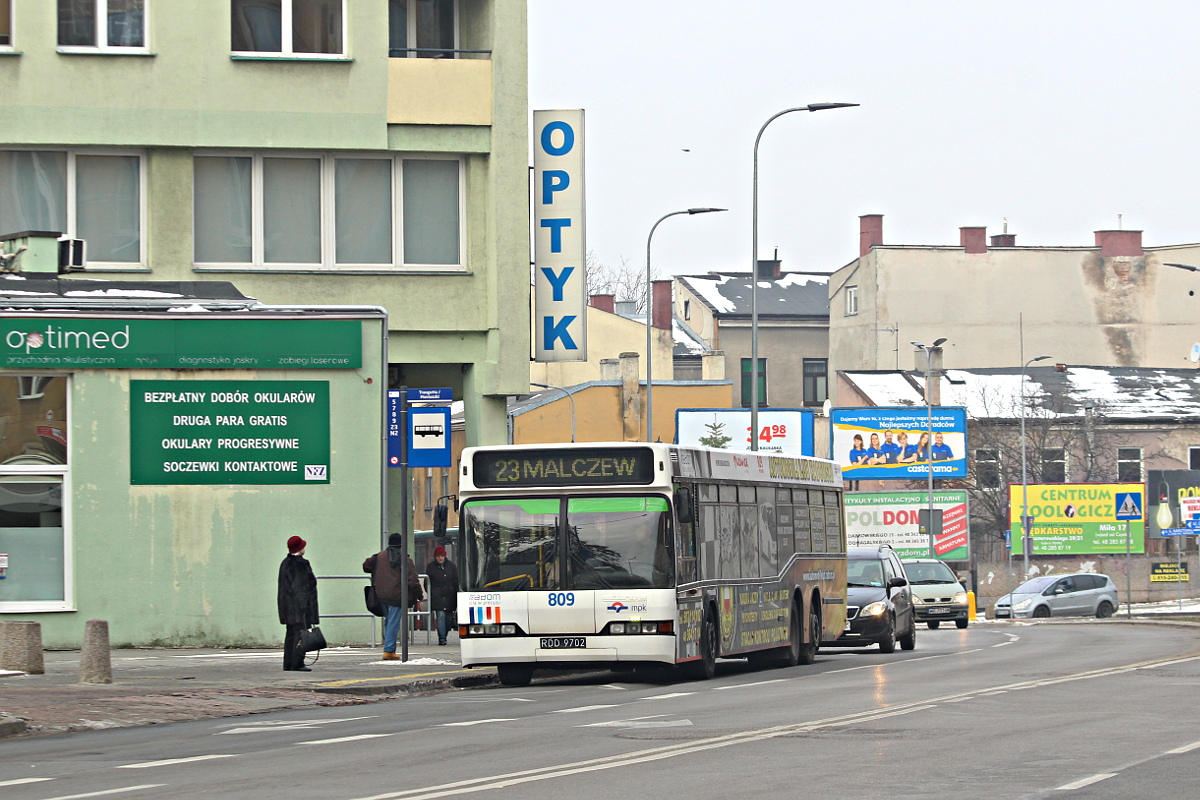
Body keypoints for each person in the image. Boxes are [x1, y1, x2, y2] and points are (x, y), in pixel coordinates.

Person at [364, 533, 423, 660]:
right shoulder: (405, 559)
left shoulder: (379, 556)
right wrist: (419, 594)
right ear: (401, 544)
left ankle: (389, 648)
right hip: (397, 596)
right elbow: (412, 580)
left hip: (380, 595)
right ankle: (388, 650)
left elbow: (366, 566)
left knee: (388, 621)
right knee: (393, 623)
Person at [278, 535, 318, 672]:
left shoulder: (285, 563)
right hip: (299, 607)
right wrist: (305, 608)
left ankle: (288, 663)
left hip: (287, 607)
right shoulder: (300, 564)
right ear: (300, 549)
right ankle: (297, 663)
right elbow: (301, 587)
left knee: (290, 634)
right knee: (300, 635)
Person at [425, 545, 459, 646]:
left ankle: (445, 634)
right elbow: (427, 583)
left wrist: (457, 593)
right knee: (440, 616)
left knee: (448, 619)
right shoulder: (431, 567)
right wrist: (432, 593)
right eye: (438, 556)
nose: (440, 558)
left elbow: (456, 580)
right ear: (435, 557)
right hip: (437, 597)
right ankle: (442, 638)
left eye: (442, 556)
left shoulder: (451, 566)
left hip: (450, 596)